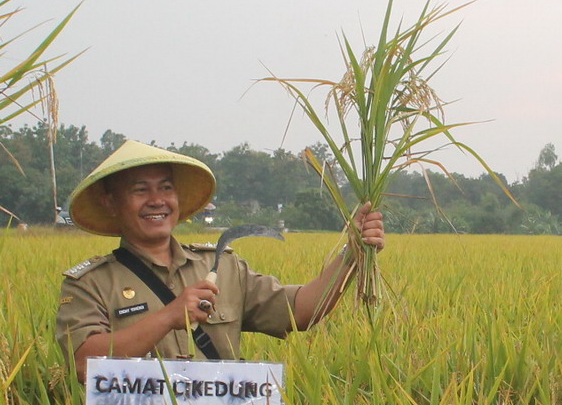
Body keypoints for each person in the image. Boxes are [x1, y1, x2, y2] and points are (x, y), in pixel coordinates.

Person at [55, 140, 381, 379]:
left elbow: (301, 311)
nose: (157, 201)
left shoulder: (222, 266)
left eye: (165, 188)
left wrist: (352, 252)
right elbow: (84, 363)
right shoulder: (91, 283)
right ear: (111, 202)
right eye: (140, 190)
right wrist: (169, 316)